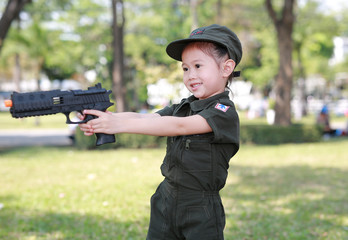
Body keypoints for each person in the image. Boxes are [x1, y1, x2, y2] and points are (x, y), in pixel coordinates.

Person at [78, 24, 242, 240]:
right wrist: (106, 118)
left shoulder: (223, 112)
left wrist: (117, 126)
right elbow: (145, 118)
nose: (190, 75)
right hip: (166, 198)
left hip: (200, 207)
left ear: (226, 68)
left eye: (198, 66)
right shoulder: (184, 106)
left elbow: (179, 126)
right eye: (185, 68)